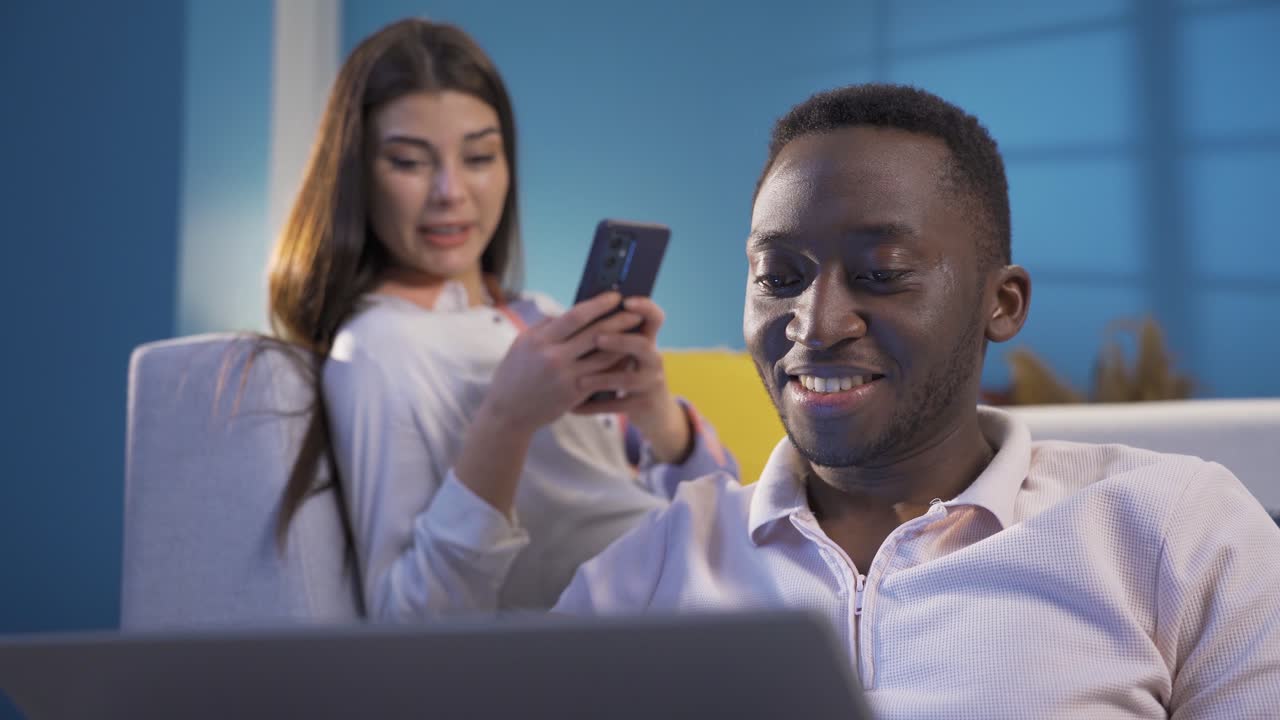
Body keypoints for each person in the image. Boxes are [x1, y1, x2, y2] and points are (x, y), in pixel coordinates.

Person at [554, 84, 1280, 716]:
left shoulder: (1177, 531)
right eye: (778, 277)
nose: (816, 324)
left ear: (1002, 303)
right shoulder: (653, 568)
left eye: (881, 273)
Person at [264, 18, 736, 619]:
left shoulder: (539, 317)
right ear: (357, 177)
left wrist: (659, 416)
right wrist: (505, 421)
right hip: (644, 632)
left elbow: (717, 514)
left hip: (715, 589)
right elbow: (408, 619)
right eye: (409, 162)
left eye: (480, 156)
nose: (450, 191)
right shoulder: (379, 349)